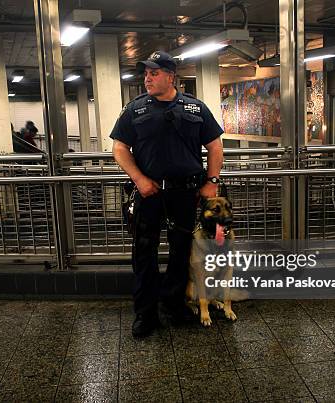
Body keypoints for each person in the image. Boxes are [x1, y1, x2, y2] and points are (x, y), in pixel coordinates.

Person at [110, 51, 224, 338]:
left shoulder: (196, 109)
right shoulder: (134, 110)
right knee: (144, 253)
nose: (147, 78)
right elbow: (119, 149)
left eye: (154, 73)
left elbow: (215, 146)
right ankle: (146, 313)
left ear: (171, 76)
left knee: (181, 252)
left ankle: (174, 305)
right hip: (148, 193)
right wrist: (139, 179)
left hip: (185, 193)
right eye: (146, 73)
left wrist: (211, 180)